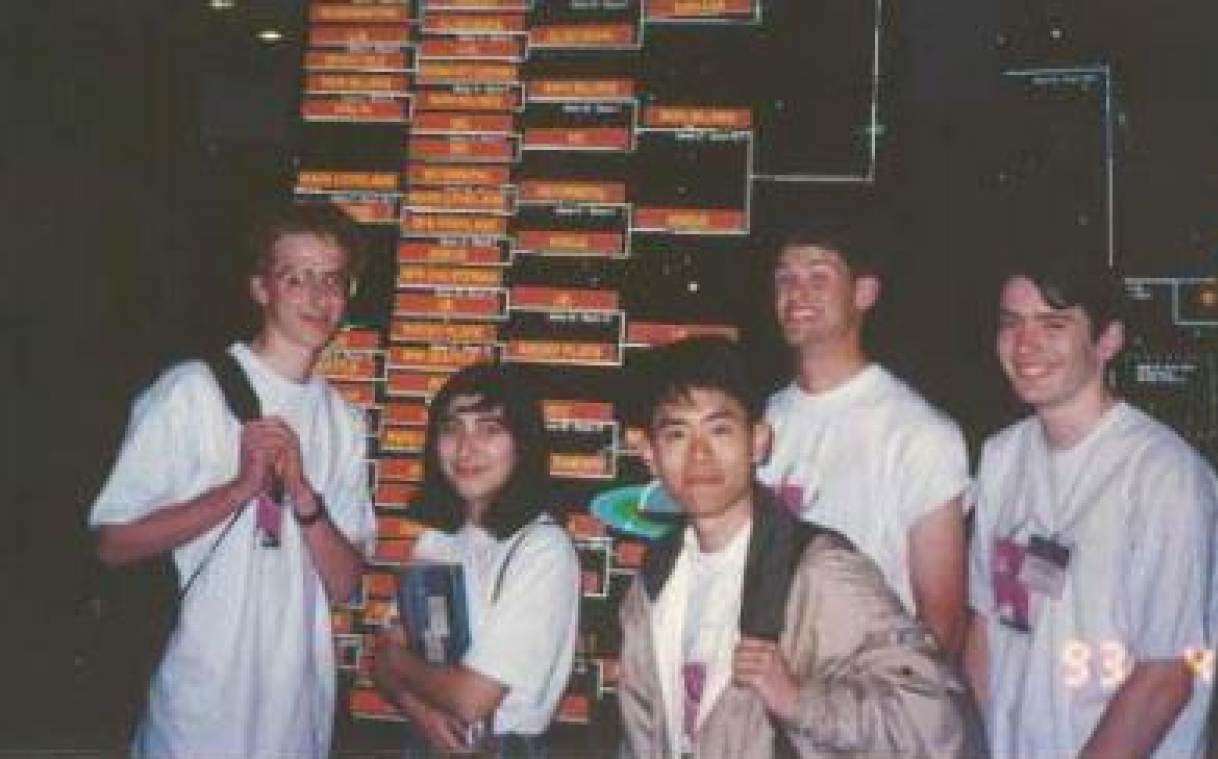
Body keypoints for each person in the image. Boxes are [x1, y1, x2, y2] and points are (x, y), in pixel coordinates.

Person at [88, 201, 377, 757]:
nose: (317, 297)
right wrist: (238, 491)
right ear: (261, 288)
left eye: (332, 279)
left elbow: (346, 586)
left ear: (349, 292)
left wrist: (302, 495)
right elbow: (112, 543)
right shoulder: (191, 392)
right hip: (195, 714)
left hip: (297, 719)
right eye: (296, 277)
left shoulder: (344, 421)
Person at [618, 335, 980, 758]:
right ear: (649, 452)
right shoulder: (651, 584)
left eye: (719, 430)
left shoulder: (817, 571)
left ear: (758, 440)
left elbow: (938, 719)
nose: (700, 455)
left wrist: (800, 702)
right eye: (677, 434)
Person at [964, 258, 1218, 758]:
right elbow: (986, 626)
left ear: (1107, 341)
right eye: (1011, 323)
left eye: (1053, 324)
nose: (1025, 345)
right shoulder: (1001, 458)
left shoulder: (1164, 476)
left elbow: (1167, 675)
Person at [759, 218, 971, 652]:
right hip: (767, 698)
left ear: (864, 293)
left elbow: (942, 628)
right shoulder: (760, 421)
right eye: (785, 278)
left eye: (819, 277)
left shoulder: (920, 435)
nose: (796, 294)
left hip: (866, 702)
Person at [371, 363, 579, 756]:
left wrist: (397, 659)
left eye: (490, 429)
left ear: (523, 443)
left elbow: (472, 698)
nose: (466, 449)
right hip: (426, 740)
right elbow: (378, 663)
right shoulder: (439, 538)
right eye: (452, 429)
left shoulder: (542, 549)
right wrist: (421, 711)